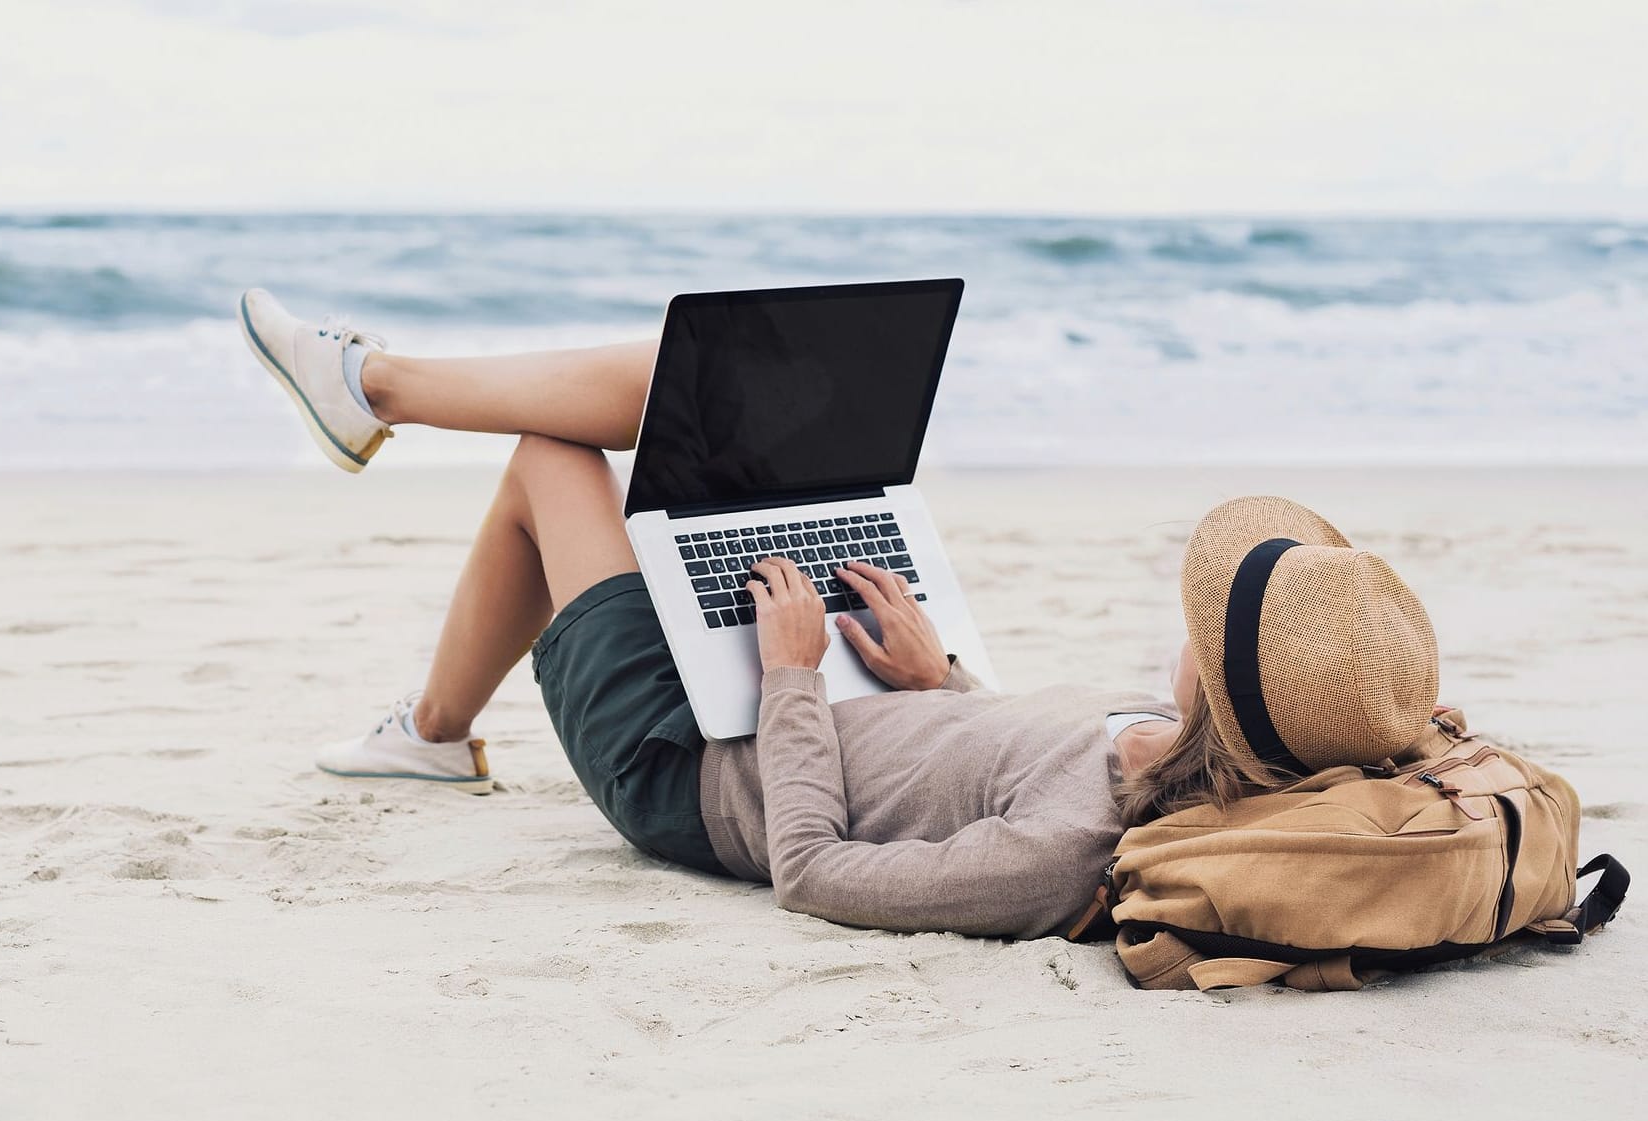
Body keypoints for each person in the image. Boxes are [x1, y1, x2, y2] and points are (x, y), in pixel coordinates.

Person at [236, 288, 1441, 939]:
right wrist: (934, 679)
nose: (1190, 616)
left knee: (552, 457)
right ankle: (429, 716)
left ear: (1222, 693)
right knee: (678, 385)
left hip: (691, 771)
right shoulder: (1149, 737)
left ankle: (381, 420)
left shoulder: (1063, 850)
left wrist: (793, 678)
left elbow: (812, 873)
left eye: (1215, 617)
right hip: (817, 695)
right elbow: (967, 760)